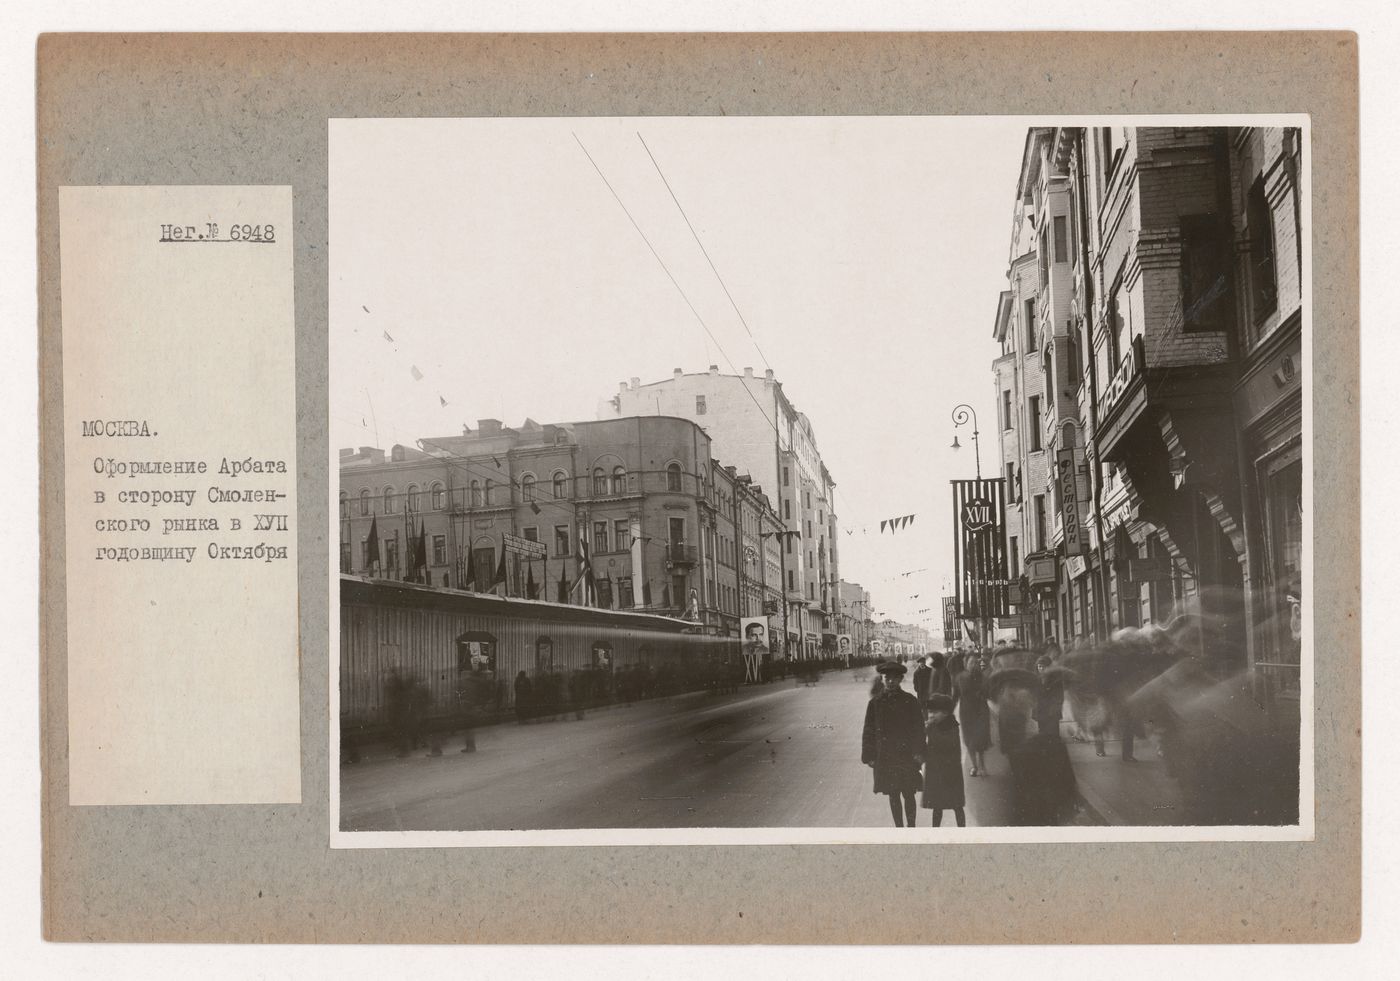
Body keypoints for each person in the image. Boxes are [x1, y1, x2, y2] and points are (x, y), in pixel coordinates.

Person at [861, 661, 925, 827]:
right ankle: (899, 828)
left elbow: (919, 728)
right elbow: (869, 730)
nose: (890, 681)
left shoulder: (910, 701)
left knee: (909, 793)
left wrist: (919, 752)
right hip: (887, 757)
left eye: (894, 678)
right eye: (887, 678)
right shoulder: (875, 703)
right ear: (882, 679)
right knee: (893, 794)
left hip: (907, 756)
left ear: (900, 679)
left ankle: (911, 828)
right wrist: (869, 755)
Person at [920, 693, 966, 826]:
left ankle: (963, 830)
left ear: (945, 713)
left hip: (950, 774)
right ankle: (936, 831)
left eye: (934, 712)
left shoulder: (951, 726)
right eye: (929, 712)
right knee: (937, 806)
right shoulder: (935, 725)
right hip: (936, 772)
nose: (931, 716)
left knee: (956, 805)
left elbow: (946, 744)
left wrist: (928, 731)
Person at [954, 654, 992, 776]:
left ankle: (982, 766)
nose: (973, 665)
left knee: (980, 739)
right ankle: (975, 766)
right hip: (966, 712)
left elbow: (988, 692)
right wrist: (948, 711)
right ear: (966, 664)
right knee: (969, 739)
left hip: (980, 710)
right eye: (971, 663)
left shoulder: (982, 677)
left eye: (976, 663)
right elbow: (955, 696)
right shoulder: (960, 677)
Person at [1033, 654, 1064, 739]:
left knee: (1053, 733)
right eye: (1039, 666)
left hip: (1052, 711)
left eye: (1044, 667)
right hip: (1041, 710)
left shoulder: (1056, 680)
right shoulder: (1036, 679)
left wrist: (1055, 708)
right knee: (1042, 732)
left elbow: (1060, 696)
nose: (1041, 669)